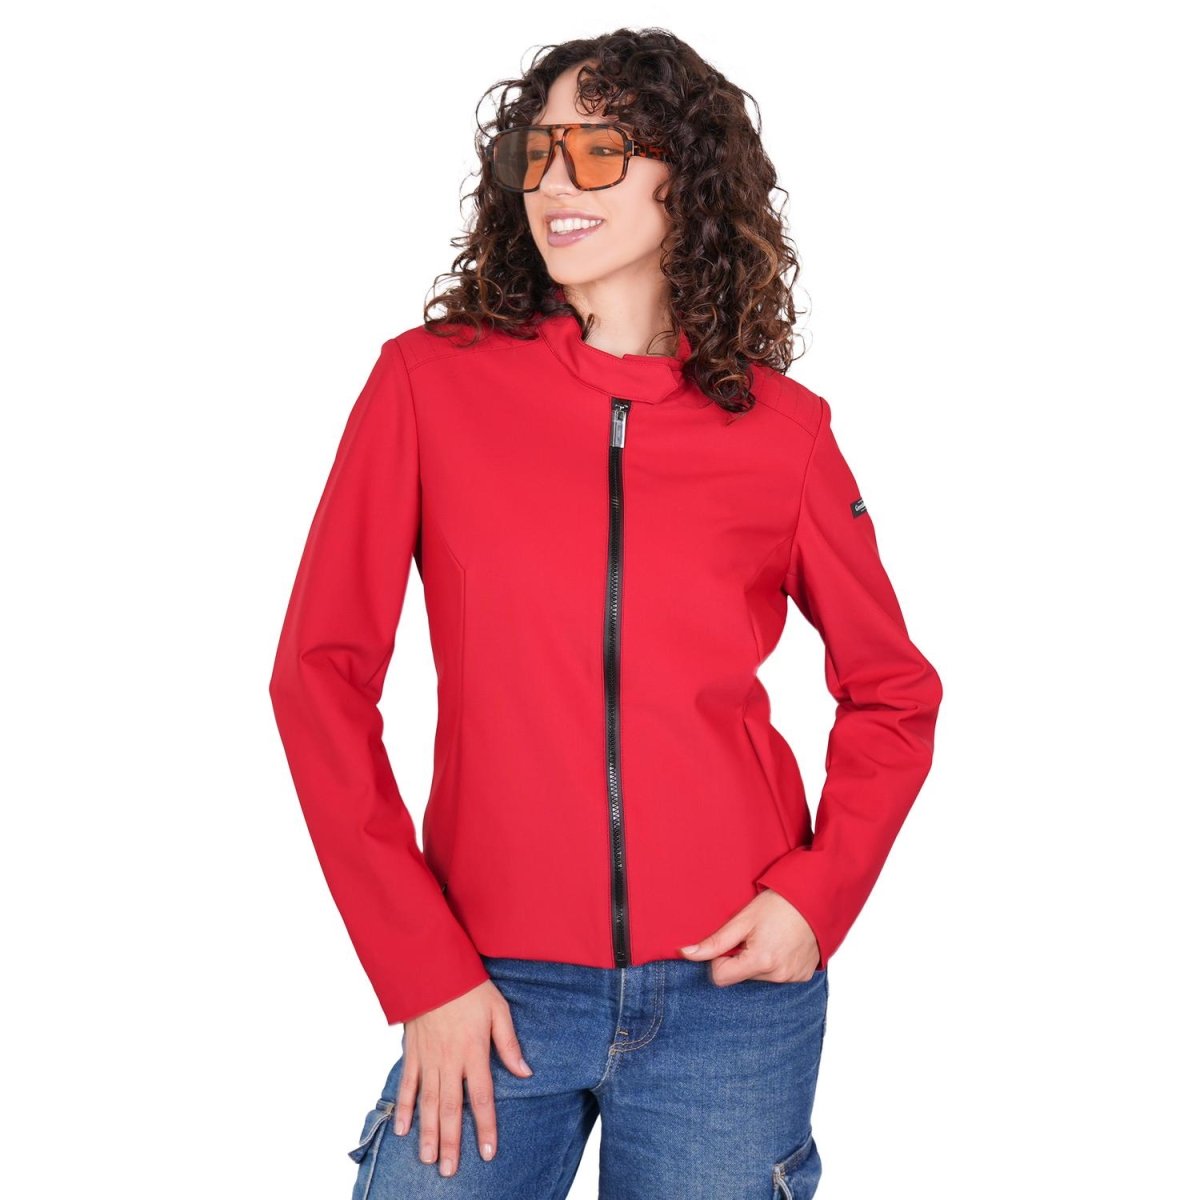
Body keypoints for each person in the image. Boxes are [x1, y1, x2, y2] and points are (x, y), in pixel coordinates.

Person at [269, 28, 943, 1200]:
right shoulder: (428, 386)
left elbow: (893, 691)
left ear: (688, 176)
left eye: (599, 150)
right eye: (538, 153)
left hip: (729, 995)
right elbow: (318, 679)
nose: (555, 182)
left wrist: (815, 894)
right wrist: (421, 968)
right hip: (488, 982)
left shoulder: (781, 433)